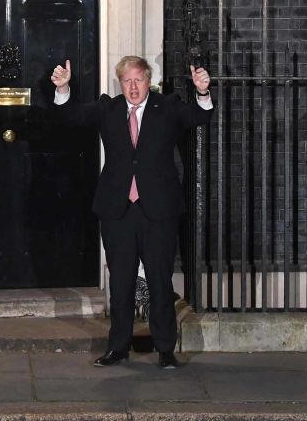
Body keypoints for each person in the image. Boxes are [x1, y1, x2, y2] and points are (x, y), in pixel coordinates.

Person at [51, 55, 212, 369]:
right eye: (126, 81)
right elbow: (71, 115)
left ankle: (166, 348)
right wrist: (63, 88)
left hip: (159, 210)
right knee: (121, 281)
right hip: (118, 209)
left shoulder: (167, 106)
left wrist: (203, 92)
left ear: (148, 79)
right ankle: (118, 348)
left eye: (138, 80)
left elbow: (198, 117)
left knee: (159, 279)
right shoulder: (108, 109)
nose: (133, 87)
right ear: (119, 83)